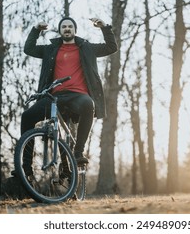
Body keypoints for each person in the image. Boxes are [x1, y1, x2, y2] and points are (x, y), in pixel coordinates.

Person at [20, 16, 118, 167]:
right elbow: (29, 49)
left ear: (75, 30)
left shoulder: (87, 48)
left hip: (78, 96)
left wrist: (104, 27)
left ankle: (78, 153)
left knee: (88, 104)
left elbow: (111, 47)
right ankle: (25, 168)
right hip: (54, 97)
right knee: (27, 117)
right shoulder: (50, 49)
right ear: (60, 31)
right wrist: (36, 30)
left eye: (70, 26)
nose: (67, 29)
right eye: (64, 26)